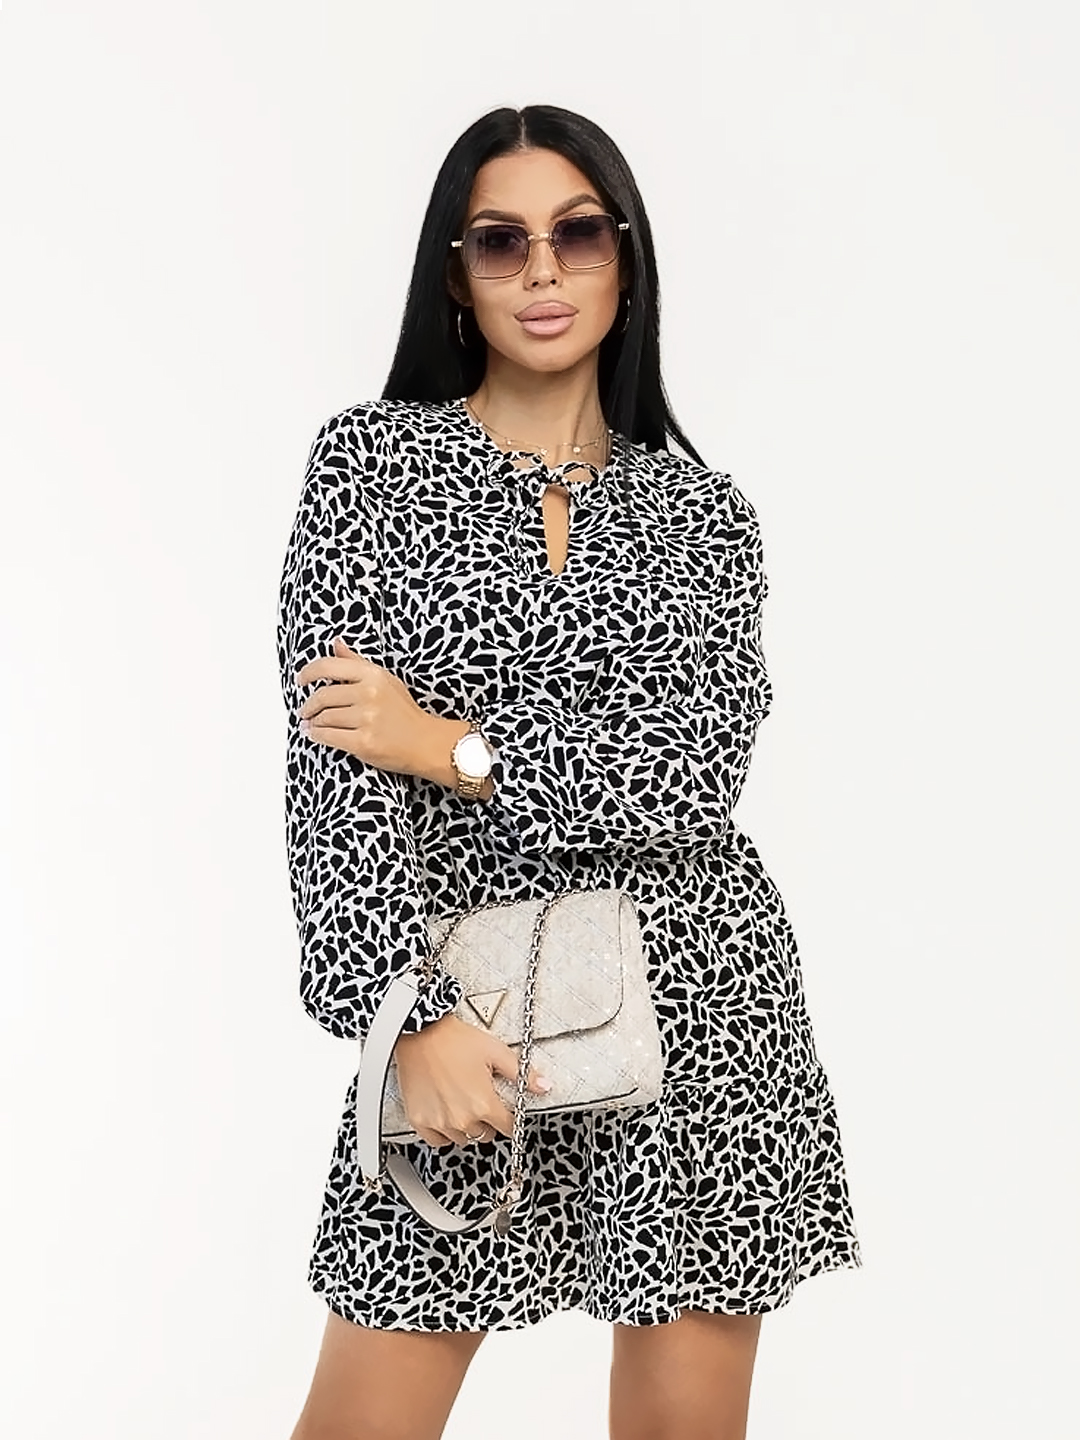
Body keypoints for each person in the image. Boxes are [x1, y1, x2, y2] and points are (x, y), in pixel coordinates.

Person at [277, 103, 862, 1440]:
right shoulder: (369, 468)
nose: (542, 271)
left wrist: (448, 745)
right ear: (456, 275)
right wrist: (406, 1018)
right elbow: (331, 775)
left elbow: (693, 769)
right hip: (461, 1011)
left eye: (577, 234)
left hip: (705, 1007)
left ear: (625, 262)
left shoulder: (703, 517)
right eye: (502, 241)